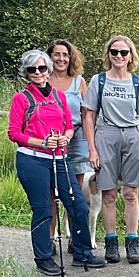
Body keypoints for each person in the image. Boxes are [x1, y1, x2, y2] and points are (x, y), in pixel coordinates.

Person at [7, 50, 104, 274]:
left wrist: (66, 137)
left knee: (78, 204)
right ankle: (43, 258)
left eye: (42, 68)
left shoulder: (59, 97)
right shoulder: (21, 99)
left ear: (49, 70)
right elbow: (14, 133)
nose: (38, 73)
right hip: (32, 160)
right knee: (43, 209)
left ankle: (82, 253)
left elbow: (69, 125)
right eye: (32, 69)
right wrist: (42, 143)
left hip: (60, 157)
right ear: (26, 73)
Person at [81, 35, 139, 265]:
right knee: (108, 193)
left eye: (124, 52)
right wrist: (92, 149)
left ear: (131, 55)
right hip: (107, 134)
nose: (119, 56)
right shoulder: (98, 81)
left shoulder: (136, 83)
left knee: (131, 193)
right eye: (114, 52)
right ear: (108, 54)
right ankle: (111, 242)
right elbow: (89, 116)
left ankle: (132, 242)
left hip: (132, 136)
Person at [47, 39, 91, 227]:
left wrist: (91, 142)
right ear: (49, 57)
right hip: (49, 139)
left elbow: (87, 114)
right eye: (57, 54)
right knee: (50, 190)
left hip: (76, 138)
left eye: (65, 55)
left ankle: (76, 236)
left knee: (76, 190)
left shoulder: (79, 82)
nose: (61, 58)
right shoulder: (43, 79)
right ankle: (51, 235)